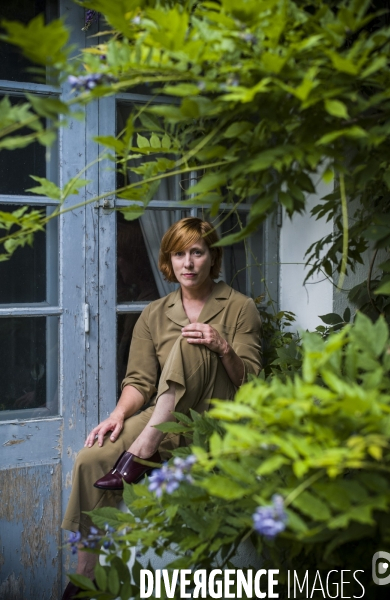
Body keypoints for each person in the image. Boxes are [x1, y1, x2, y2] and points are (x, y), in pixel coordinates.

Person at [61, 217, 262, 600]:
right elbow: (139, 383)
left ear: (212, 257)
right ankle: (83, 578)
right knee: (91, 459)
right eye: (179, 254)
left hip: (214, 420)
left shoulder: (240, 307)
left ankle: (144, 448)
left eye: (197, 252)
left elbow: (251, 382)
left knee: (192, 341)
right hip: (164, 419)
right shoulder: (154, 313)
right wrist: (118, 415)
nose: (188, 263)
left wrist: (222, 347)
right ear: (169, 260)